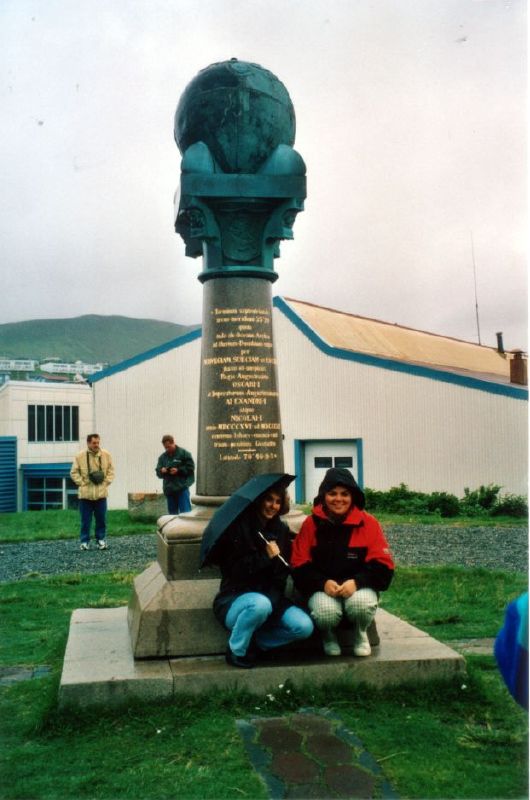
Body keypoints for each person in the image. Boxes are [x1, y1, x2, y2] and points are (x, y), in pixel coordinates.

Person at [291, 467, 394, 658]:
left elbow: (383, 565)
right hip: (324, 589)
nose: (338, 499)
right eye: (332, 493)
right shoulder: (310, 524)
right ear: (324, 496)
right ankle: (328, 636)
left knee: (361, 604)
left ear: (353, 496)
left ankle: (360, 633)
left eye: (345, 494)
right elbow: (298, 564)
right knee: (325, 612)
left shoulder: (369, 523)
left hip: (358, 588)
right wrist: (322, 583)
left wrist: (357, 582)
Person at [210, 484, 314, 668]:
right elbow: (235, 574)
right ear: (259, 500)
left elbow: (280, 577)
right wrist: (264, 557)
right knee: (260, 604)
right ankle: (236, 650)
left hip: (271, 600)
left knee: (304, 627)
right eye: (268, 499)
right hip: (236, 600)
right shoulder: (238, 528)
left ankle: (257, 643)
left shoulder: (281, 530)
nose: (272, 506)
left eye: (277, 501)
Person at [70, 433, 115, 551]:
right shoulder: (79, 456)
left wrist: (105, 483)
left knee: (101, 519)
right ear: (88, 443)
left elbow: (111, 471)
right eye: (94, 443)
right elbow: (73, 472)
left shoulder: (106, 455)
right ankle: (84, 541)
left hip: (101, 494)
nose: (96, 445)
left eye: (98, 442)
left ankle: (101, 540)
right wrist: (82, 483)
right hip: (85, 495)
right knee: (85, 520)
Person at [155, 435, 195, 514]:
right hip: (169, 490)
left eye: (169, 447)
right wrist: (161, 471)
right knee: (172, 517)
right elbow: (158, 473)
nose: (167, 449)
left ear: (173, 443)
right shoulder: (162, 458)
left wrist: (178, 470)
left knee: (186, 514)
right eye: (165, 447)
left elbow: (191, 468)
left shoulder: (184, 454)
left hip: (182, 489)